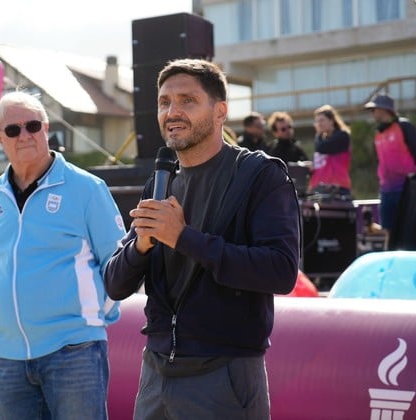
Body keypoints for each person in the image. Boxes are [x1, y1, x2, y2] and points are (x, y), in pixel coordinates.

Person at [104, 59, 300, 419]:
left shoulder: (258, 175)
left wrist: (183, 237)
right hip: (156, 372)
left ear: (220, 111)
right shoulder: (161, 182)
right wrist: (142, 245)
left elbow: (280, 271)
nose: (172, 112)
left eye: (187, 100)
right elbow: (115, 284)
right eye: (164, 102)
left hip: (224, 374)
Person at [0, 91, 126, 420]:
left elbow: (119, 265)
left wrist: (88, 320)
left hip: (74, 350)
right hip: (8, 355)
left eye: (32, 125)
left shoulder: (87, 188)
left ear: (46, 128)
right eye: (13, 130)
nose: (24, 135)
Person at [364, 94, 416, 235]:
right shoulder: (378, 133)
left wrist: (415, 178)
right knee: (388, 230)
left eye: (374, 110)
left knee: (409, 228)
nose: (372, 113)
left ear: (384, 109)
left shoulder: (404, 126)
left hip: (406, 187)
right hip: (386, 189)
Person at [308, 104, 352, 197]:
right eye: (317, 121)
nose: (319, 124)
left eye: (322, 120)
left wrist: (318, 134)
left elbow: (322, 148)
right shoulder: (322, 139)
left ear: (331, 120)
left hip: (338, 188)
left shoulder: (342, 136)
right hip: (318, 188)